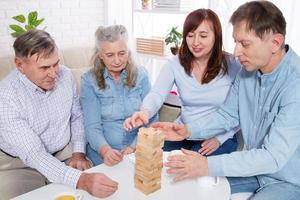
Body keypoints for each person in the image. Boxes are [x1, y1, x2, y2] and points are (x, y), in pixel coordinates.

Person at [152, 1, 300, 199]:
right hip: (254, 170)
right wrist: (188, 130)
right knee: (186, 186)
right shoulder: (248, 72)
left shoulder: (295, 85)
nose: (237, 52)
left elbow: (273, 157)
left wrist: (206, 165)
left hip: (287, 179)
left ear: (275, 43)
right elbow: (227, 114)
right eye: (236, 42)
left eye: (244, 44)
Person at [0, 30, 118, 200]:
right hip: (19, 164)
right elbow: (34, 153)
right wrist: (81, 180)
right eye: (44, 67)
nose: (54, 73)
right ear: (20, 65)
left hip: (64, 153)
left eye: (55, 64)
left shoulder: (65, 75)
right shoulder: (5, 97)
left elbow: (77, 116)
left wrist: (78, 153)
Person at [124, 9, 240, 156]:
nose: (195, 42)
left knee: (193, 169)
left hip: (217, 135)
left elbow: (241, 110)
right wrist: (145, 112)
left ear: (216, 36)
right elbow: (157, 93)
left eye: (203, 35)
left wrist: (220, 138)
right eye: (190, 35)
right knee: (156, 160)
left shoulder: (233, 65)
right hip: (182, 131)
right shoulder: (175, 63)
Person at [80, 25, 154, 166]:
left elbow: (152, 117)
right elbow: (92, 126)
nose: (117, 61)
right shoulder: (89, 80)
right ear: (100, 55)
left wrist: (134, 146)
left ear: (128, 52)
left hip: (138, 150)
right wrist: (106, 151)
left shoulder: (141, 75)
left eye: (122, 53)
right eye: (110, 55)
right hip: (103, 155)